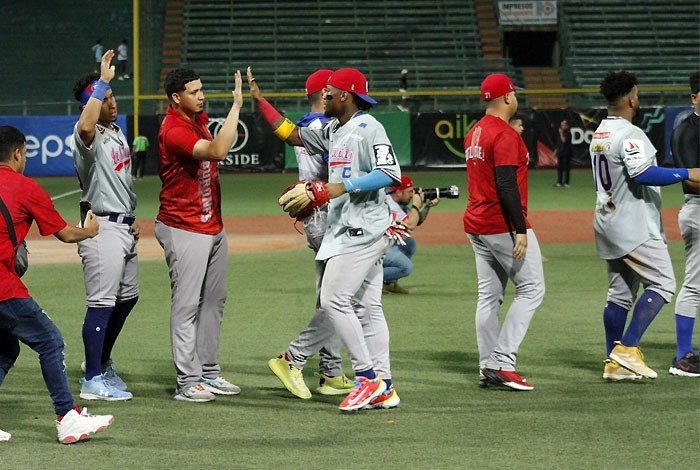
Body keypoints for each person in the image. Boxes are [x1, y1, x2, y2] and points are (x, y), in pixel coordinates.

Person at [248, 66, 402, 411]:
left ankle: (366, 380)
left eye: (329, 92)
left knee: (334, 299)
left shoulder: (368, 128)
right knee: (369, 308)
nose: (324, 97)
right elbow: (291, 135)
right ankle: (385, 385)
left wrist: (339, 187)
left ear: (345, 95)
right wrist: (260, 101)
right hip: (348, 227)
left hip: (361, 229)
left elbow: (390, 173)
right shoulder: (335, 129)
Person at [0, 125, 114, 444]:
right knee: (50, 340)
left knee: (5, 347)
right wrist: (90, 231)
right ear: (18, 153)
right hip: (3, 288)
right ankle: (67, 418)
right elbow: (64, 233)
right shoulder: (25, 188)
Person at [589, 71, 700, 381]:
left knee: (619, 294)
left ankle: (614, 363)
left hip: (606, 219)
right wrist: (686, 172)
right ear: (631, 99)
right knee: (663, 283)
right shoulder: (630, 133)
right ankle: (628, 348)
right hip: (633, 223)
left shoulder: (600, 132)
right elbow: (642, 173)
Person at [156, 67, 243, 402]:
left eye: (202, 89)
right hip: (183, 226)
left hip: (211, 226)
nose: (201, 95)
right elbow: (218, 151)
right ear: (176, 97)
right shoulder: (174, 129)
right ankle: (187, 380)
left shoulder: (196, 120)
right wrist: (235, 107)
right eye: (194, 91)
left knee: (214, 301)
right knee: (187, 304)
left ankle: (208, 371)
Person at [267, 69, 355, 400]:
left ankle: (331, 373)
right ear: (326, 93)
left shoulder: (306, 124)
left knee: (329, 297)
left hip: (314, 219)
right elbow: (341, 172)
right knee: (342, 299)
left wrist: (262, 102)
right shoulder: (325, 127)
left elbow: (287, 133)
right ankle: (293, 358)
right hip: (332, 219)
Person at [463, 73, 545, 391]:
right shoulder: (505, 134)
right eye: (515, 94)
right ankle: (502, 362)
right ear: (508, 98)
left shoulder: (474, 132)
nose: (517, 98)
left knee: (489, 296)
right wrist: (520, 228)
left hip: (477, 223)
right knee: (532, 289)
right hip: (501, 224)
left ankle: (488, 366)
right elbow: (507, 184)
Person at [71, 50, 138, 401]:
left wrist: (132, 218)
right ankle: (92, 379)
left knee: (128, 297)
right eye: (104, 98)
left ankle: (100, 361)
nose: (111, 102)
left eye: (112, 96)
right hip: (100, 226)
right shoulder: (87, 134)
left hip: (123, 225)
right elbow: (85, 124)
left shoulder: (115, 132)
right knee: (101, 303)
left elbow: (121, 182)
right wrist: (102, 82)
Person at [669, 71, 700, 377]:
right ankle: (682, 356)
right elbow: (691, 177)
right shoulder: (687, 129)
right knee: (694, 283)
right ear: (694, 97)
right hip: (698, 211)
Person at [382, 175, 439, 294]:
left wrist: (427, 205)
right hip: (376, 248)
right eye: (409, 192)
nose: (412, 195)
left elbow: (416, 220)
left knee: (409, 244)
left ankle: (388, 283)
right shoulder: (389, 204)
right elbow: (410, 225)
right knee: (406, 268)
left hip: (385, 243)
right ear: (398, 192)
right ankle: (364, 280)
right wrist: (416, 204)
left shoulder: (397, 202)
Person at [554, 119, 573, 187]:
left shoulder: (568, 133)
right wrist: (555, 151)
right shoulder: (560, 134)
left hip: (566, 154)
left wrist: (561, 133)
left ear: (567, 126)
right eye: (561, 125)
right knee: (560, 168)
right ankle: (559, 182)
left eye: (564, 125)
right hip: (560, 153)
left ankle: (566, 183)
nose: (562, 126)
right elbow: (558, 143)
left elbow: (564, 140)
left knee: (566, 168)